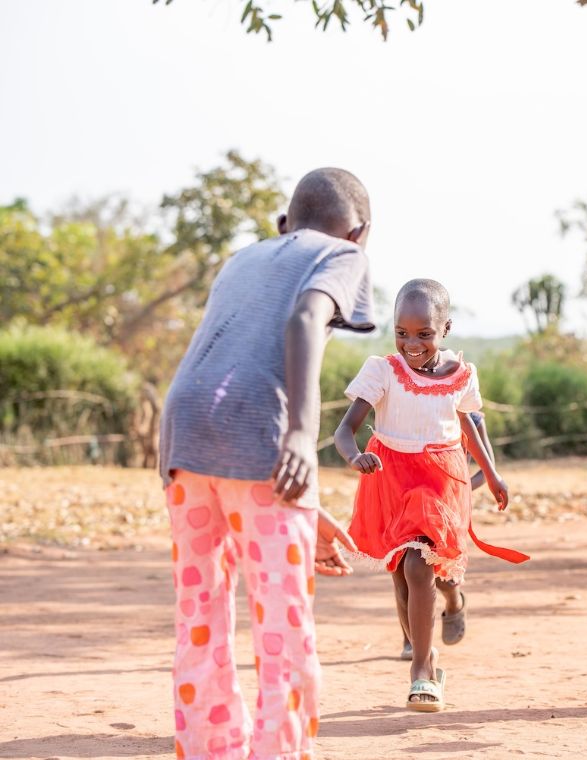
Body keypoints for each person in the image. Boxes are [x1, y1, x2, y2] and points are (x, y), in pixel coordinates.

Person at [158, 167, 374, 759]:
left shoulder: (242, 259)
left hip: (184, 432)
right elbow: (304, 319)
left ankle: (209, 751)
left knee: (199, 615)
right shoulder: (341, 254)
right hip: (261, 431)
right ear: (361, 233)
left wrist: (308, 506)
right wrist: (303, 436)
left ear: (283, 224)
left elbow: (233, 364)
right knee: (283, 628)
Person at [334, 278, 528, 712]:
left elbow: (470, 425)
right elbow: (344, 430)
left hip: (441, 478)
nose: (411, 343)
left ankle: (435, 642)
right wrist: (353, 457)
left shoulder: (462, 375)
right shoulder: (382, 370)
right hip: (390, 479)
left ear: (446, 329)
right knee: (405, 576)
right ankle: (424, 653)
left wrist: (492, 476)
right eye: (402, 333)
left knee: (429, 571)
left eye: (424, 333)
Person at [397, 410, 493, 660]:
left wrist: (454, 493)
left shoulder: (472, 419)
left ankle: (454, 599)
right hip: (405, 501)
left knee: (442, 576)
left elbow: (486, 470)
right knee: (404, 570)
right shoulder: (406, 409)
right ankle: (412, 642)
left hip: (446, 507)